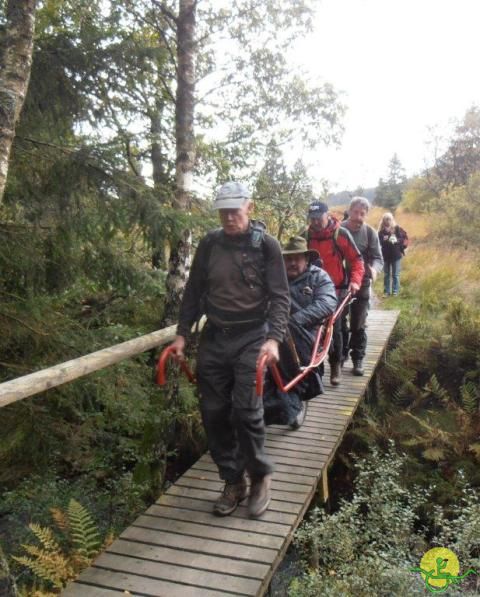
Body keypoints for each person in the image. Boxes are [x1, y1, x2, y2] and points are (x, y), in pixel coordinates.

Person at [168, 182, 290, 519]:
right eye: (223, 211)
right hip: (214, 337)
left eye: (235, 210)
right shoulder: (210, 243)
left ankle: (260, 475)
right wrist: (181, 335)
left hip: (252, 337)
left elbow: (280, 296)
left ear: (248, 207)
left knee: (245, 410)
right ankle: (233, 481)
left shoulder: (267, 246)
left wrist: (274, 339)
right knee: (213, 412)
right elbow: (193, 291)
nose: (229, 217)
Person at [263, 236, 337, 427]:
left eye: (297, 258)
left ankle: (293, 401)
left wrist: (294, 321)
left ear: (307, 258)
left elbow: (327, 303)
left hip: (307, 335)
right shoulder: (274, 278)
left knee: (283, 333)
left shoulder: (319, 277)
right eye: (288, 259)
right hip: (272, 334)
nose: (292, 263)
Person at [303, 201, 364, 386]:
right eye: (311, 218)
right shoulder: (305, 235)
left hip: (337, 289)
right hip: (311, 289)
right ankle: (313, 366)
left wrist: (355, 281)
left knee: (333, 326)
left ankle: (335, 364)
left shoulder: (340, 233)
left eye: (318, 218)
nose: (315, 222)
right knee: (311, 326)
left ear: (327, 215)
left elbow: (356, 260)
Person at [341, 197, 384, 376]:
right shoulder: (338, 230)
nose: (358, 217)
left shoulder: (370, 233)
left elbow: (378, 258)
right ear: (349, 211)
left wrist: (374, 269)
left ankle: (358, 359)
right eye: (356, 212)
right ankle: (340, 356)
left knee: (358, 322)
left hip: (363, 282)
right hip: (340, 282)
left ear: (366, 215)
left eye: (362, 214)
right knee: (339, 321)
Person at [378, 212, 408, 296]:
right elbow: (378, 243)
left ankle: (395, 291)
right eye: (386, 219)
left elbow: (403, 238)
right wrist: (384, 240)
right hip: (385, 256)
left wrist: (396, 240)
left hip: (396, 255)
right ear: (383, 220)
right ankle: (386, 292)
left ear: (392, 219)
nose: (388, 221)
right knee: (386, 274)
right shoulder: (381, 231)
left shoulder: (397, 228)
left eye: (389, 219)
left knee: (395, 274)